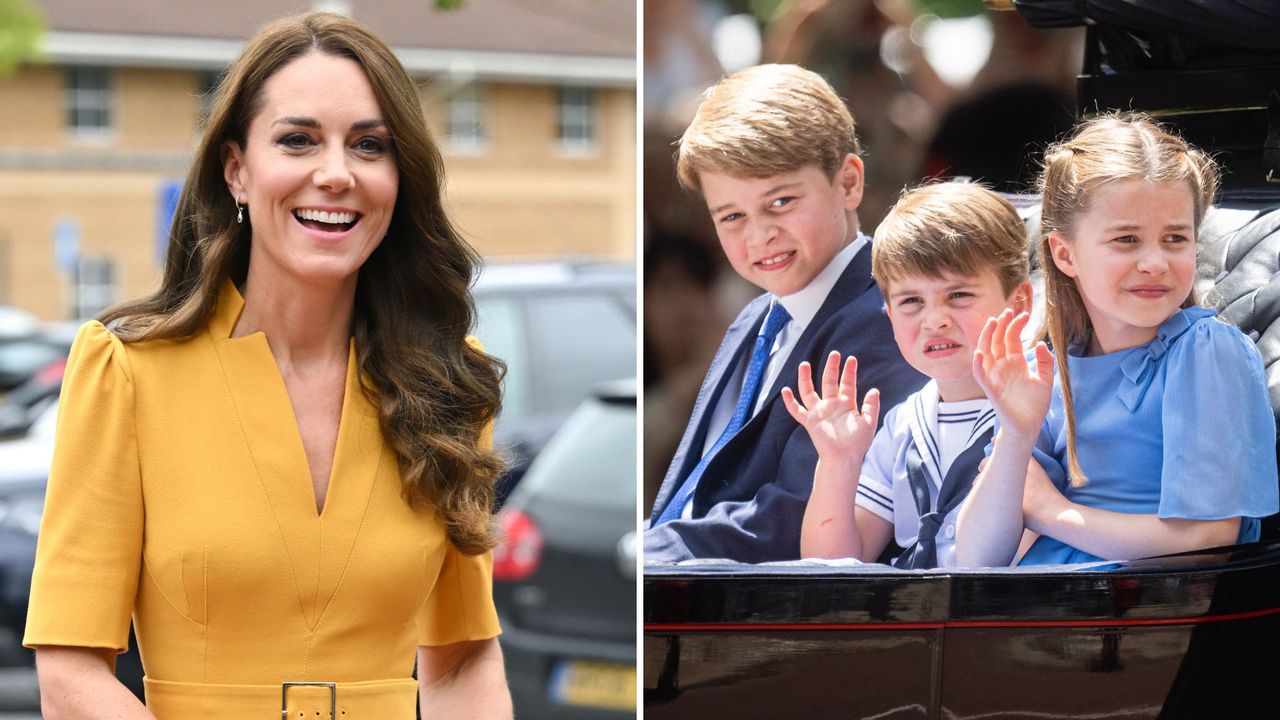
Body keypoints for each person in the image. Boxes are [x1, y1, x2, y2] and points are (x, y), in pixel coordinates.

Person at [25, 12, 512, 719]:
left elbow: (464, 657)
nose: (337, 173)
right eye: (298, 140)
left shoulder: (448, 382)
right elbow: (69, 676)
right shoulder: (127, 370)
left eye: (370, 146)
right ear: (236, 171)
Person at [956, 113, 1280, 568]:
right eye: (1127, 239)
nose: (1155, 261)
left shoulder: (1205, 351)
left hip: (1137, 616)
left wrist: (1053, 511)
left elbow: (1207, 538)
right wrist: (1017, 433)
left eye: (1175, 239)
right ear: (1065, 254)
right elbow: (974, 557)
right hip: (1037, 611)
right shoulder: (1049, 368)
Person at [644, 63, 925, 563]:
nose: (759, 235)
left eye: (781, 202)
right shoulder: (756, 317)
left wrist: (654, 555)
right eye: (732, 216)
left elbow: (790, 515)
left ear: (848, 183)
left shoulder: (887, 318)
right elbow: (699, 489)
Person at [785, 182, 1032, 569]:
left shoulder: (1047, 403)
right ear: (888, 312)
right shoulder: (902, 424)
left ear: (1018, 301)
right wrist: (838, 462)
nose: (935, 320)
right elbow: (831, 566)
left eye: (959, 296)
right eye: (911, 301)